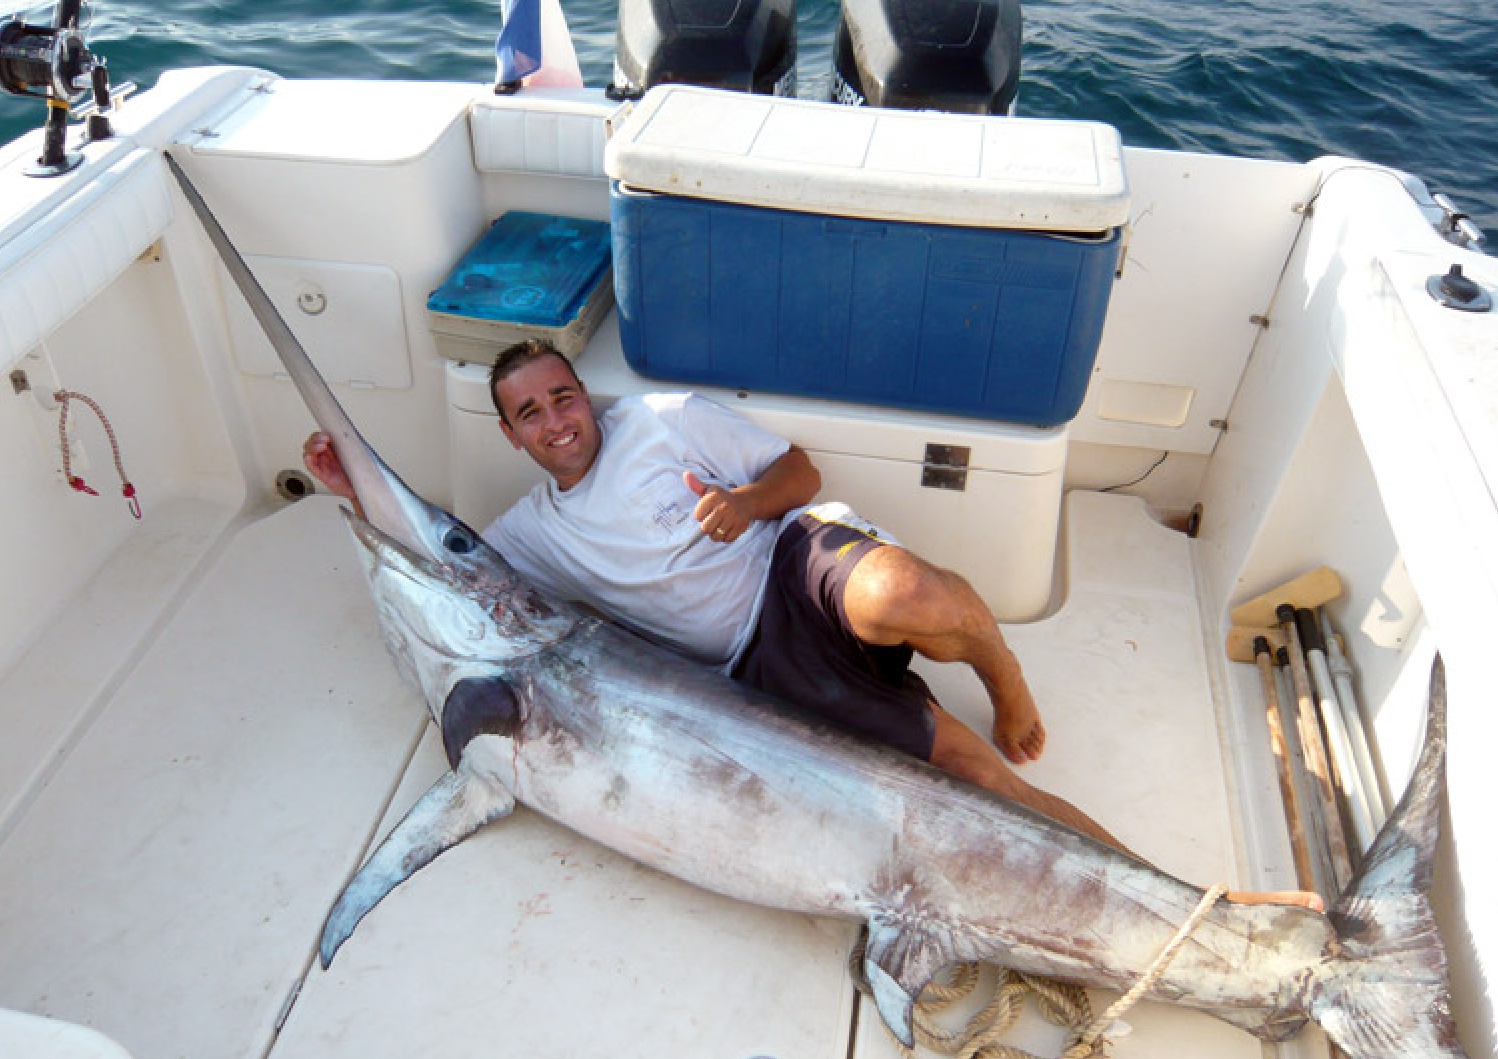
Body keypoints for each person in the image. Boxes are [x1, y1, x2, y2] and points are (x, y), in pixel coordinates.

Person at [304, 339, 1319, 908]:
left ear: (582, 393)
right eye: (530, 412)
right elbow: (444, 565)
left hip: (793, 561)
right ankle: (1193, 910)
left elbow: (801, 473)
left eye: (563, 394)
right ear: (511, 434)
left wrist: (746, 507)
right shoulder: (527, 539)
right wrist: (346, 490)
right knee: (973, 781)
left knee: (910, 600)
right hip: (758, 665)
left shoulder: (662, 420)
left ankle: (1004, 671)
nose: (557, 418)